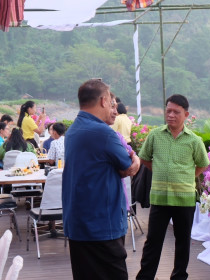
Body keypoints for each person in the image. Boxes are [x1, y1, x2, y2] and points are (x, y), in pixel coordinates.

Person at [62, 79, 140, 280]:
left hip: (79, 224)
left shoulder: (73, 130)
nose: (113, 108)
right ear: (104, 101)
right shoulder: (103, 133)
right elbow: (128, 167)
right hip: (101, 226)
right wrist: (137, 161)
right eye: (111, 103)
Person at [136, 94, 210, 280]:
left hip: (184, 199)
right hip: (160, 198)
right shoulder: (155, 135)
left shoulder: (194, 140)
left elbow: (203, 163)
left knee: (183, 241)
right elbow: (144, 158)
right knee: (153, 241)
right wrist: (159, 169)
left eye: (176, 112)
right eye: (168, 111)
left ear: (186, 114)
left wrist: (187, 176)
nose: (171, 115)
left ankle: (179, 276)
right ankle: (145, 277)